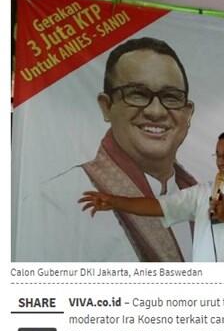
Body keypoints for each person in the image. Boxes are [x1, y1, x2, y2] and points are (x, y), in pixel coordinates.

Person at [14, 37, 199, 262]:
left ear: (187, 113)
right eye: (137, 94)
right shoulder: (56, 201)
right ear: (106, 106)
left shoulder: (202, 200)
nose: (156, 111)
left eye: (171, 97)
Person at [79, 130, 224, 262]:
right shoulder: (203, 191)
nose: (221, 162)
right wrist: (114, 201)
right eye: (218, 156)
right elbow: (159, 206)